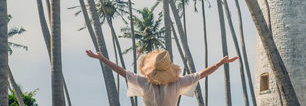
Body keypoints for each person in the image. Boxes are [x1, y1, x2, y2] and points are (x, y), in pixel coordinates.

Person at [86, 49, 238, 106]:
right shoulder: (177, 82)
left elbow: (122, 72)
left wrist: (103, 59)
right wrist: (219, 63)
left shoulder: (145, 81)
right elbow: (201, 74)